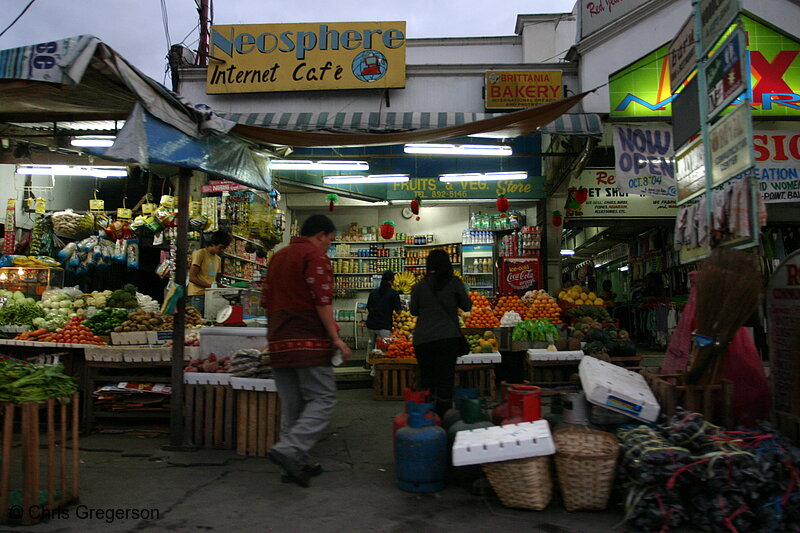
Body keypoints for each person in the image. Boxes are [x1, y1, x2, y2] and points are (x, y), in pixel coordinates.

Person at [261, 214, 352, 488]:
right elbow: (322, 300)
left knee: (293, 406)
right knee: (323, 398)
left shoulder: (277, 257)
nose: (328, 247)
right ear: (321, 235)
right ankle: (290, 450)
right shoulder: (314, 256)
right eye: (330, 241)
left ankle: (294, 465)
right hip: (307, 340)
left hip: (278, 341)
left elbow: (265, 300)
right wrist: (336, 338)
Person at [409, 248, 472, 417]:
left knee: (427, 380)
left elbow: (413, 311)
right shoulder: (454, 283)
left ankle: (426, 417)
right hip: (447, 339)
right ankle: (443, 420)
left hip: (423, 340)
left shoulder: (419, 286)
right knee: (445, 381)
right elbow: (467, 306)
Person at [188, 231, 231, 316]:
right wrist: (211, 287)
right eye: (221, 247)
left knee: (209, 321)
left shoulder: (218, 259)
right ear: (213, 244)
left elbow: (213, 280)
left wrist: (223, 288)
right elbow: (192, 277)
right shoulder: (200, 254)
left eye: (224, 248)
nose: (222, 250)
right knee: (197, 321)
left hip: (211, 295)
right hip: (198, 294)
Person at [365, 271, 402, 352]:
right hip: (384, 326)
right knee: (383, 350)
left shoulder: (373, 292)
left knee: (371, 344)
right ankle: (379, 364)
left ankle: (369, 362)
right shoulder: (394, 294)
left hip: (371, 324)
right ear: (392, 280)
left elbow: (368, 307)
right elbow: (398, 311)